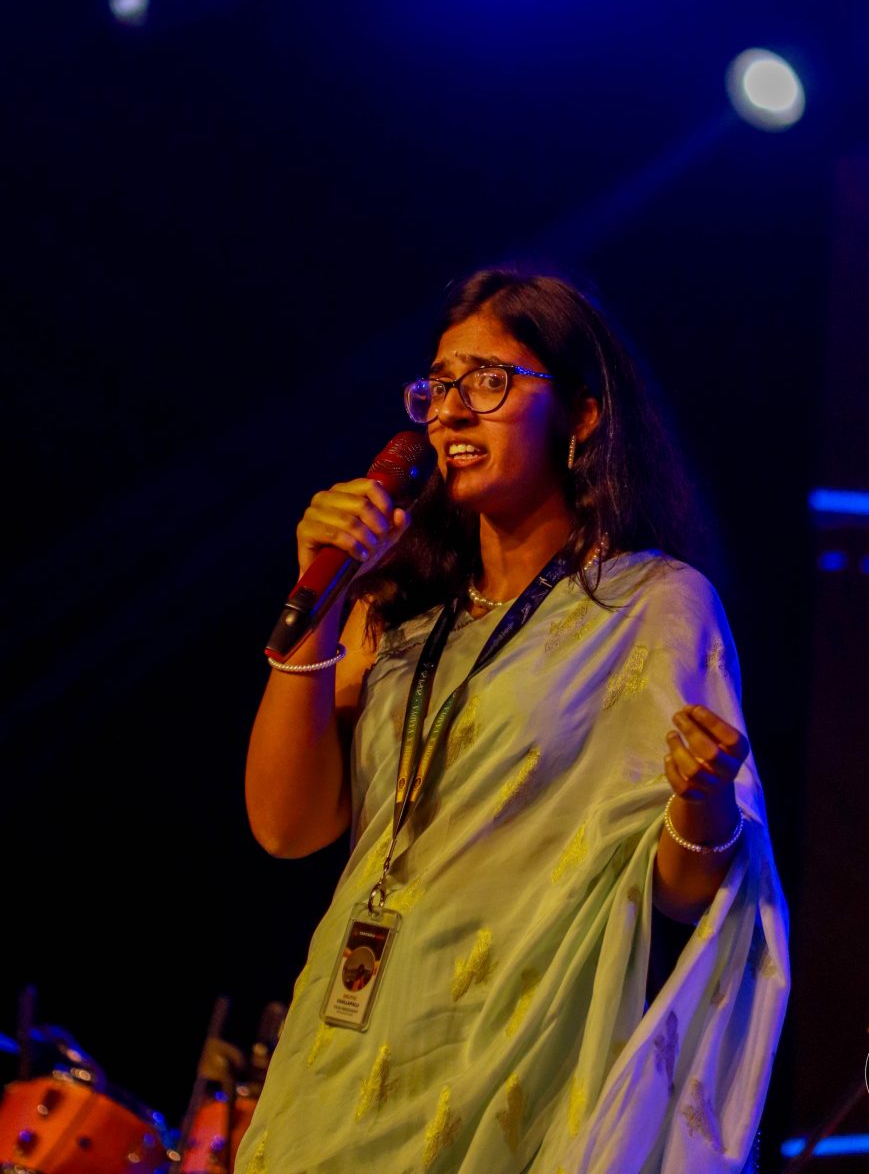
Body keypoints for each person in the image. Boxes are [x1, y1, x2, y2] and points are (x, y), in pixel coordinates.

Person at [239, 268, 789, 1174]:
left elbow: (686, 897)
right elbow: (286, 827)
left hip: (509, 1063)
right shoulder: (398, 617)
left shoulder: (651, 608)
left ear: (582, 415)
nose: (452, 411)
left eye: (489, 381)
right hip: (343, 1051)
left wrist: (703, 801)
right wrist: (322, 603)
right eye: (438, 387)